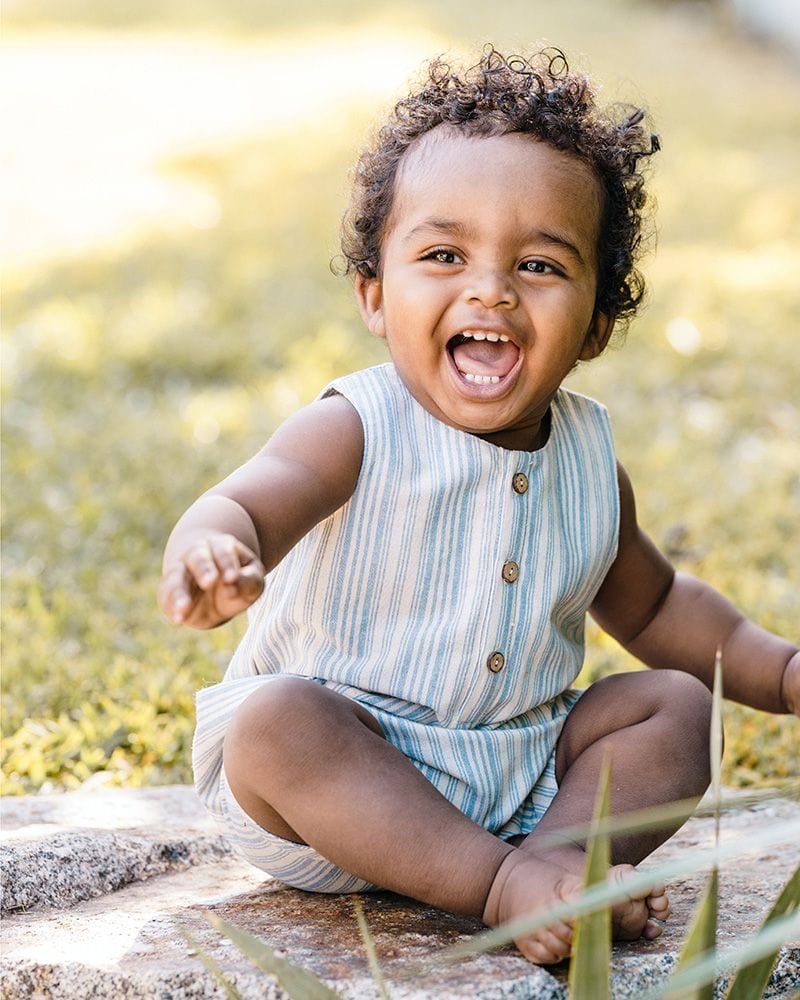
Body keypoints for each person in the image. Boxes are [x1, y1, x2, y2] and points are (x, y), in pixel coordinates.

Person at [158, 47, 799, 965]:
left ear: (597, 324)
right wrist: (214, 549)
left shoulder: (588, 461)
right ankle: (505, 888)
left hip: (519, 775)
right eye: (444, 254)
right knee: (274, 722)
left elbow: (656, 608)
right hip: (340, 784)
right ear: (375, 293)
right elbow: (247, 506)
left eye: (539, 263)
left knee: (676, 708)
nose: (489, 287)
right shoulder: (356, 427)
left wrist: (780, 674)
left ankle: (556, 867)